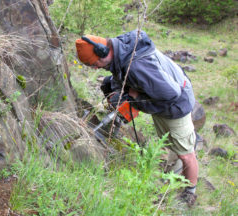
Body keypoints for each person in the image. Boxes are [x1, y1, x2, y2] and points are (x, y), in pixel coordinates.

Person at [75, 30, 198, 207]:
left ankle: (190, 193)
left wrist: (135, 97)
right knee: (172, 144)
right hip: (161, 107)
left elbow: (171, 93)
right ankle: (174, 177)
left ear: (103, 51)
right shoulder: (120, 50)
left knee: (186, 155)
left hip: (175, 106)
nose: (95, 68)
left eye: (95, 64)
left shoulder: (136, 66)